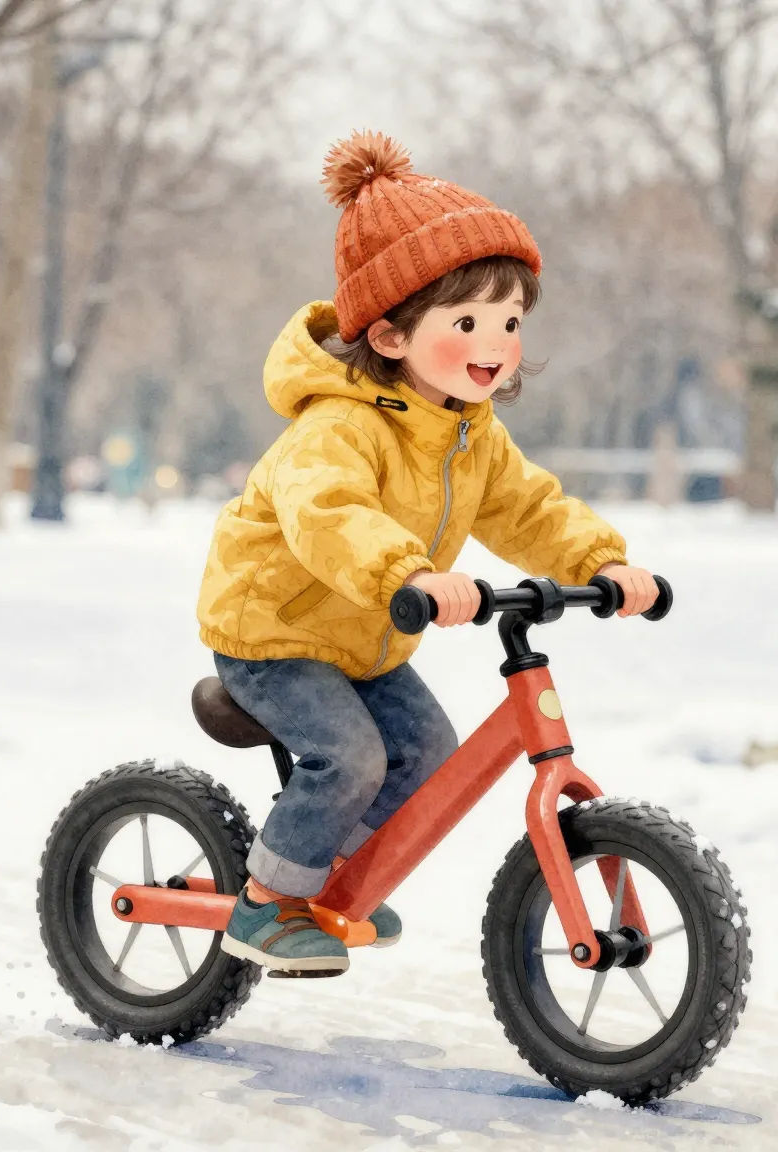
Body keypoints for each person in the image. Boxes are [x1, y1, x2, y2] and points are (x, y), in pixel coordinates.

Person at [195, 132, 660, 975]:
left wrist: (598, 562)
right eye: (470, 320)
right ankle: (268, 905)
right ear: (390, 334)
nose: (498, 341)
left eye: (511, 320)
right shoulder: (337, 425)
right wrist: (406, 574)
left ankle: (332, 871)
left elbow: (527, 507)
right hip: (277, 628)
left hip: (367, 633)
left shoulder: (470, 433)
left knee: (427, 754)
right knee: (353, 757)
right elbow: (329, 514)